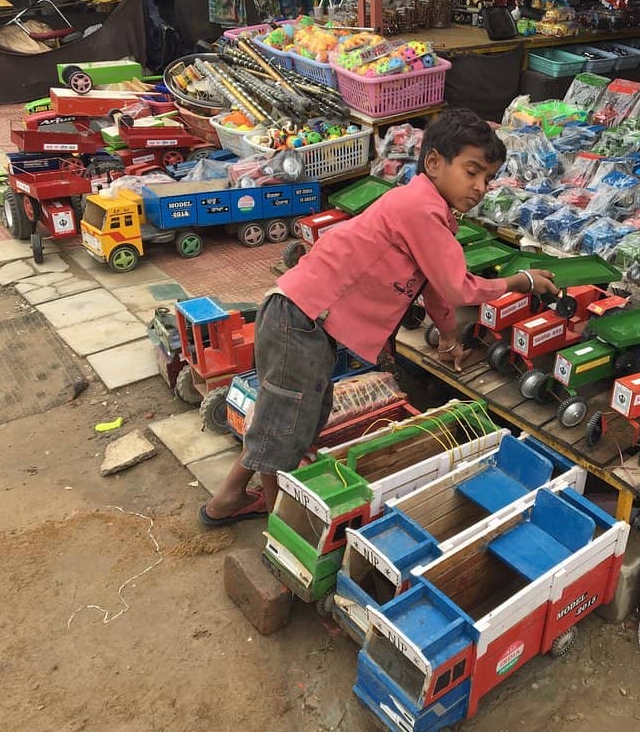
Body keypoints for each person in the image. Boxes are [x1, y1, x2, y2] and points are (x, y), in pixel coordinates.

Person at [198, 108, 559, 526]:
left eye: (487, 179)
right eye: (472, 171)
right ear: (435, 163)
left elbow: (436, 287)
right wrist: (521, 282)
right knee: (287, 426)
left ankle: (234, 499)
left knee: (294, 418)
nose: (480, 187)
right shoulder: (418, 209)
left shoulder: (431, 212)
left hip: (304, 319)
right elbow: (457, 287)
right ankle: (282, 532)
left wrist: (447, 339)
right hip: (299, 317)